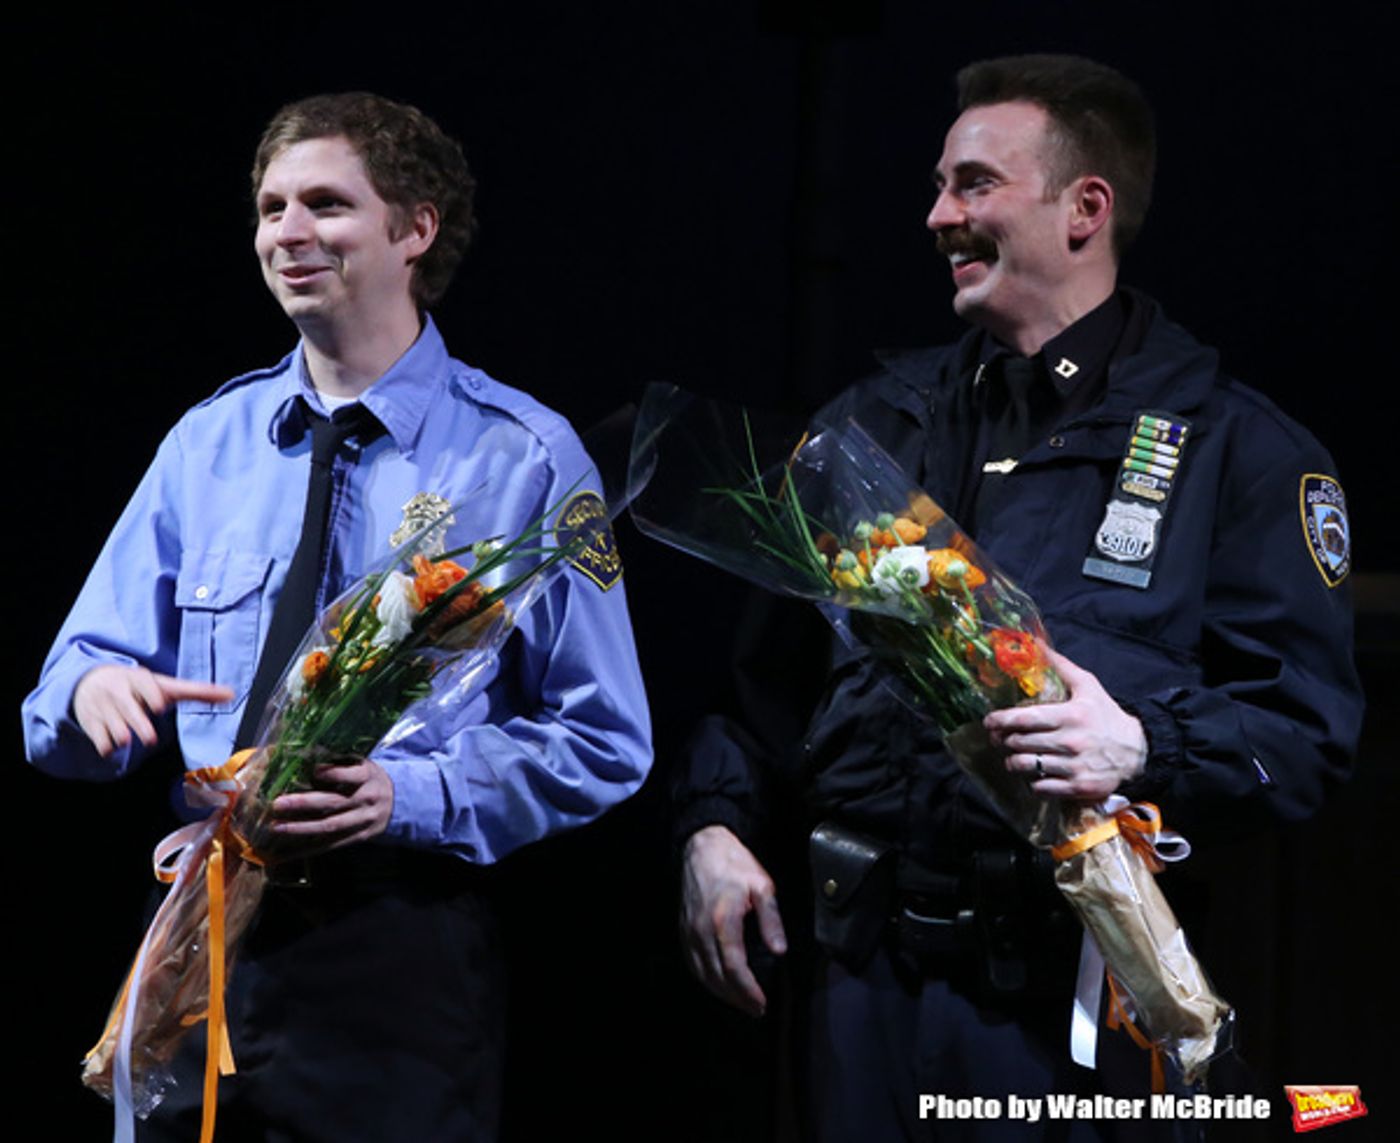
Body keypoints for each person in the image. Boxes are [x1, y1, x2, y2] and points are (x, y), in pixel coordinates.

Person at [674, 55, 1361, 1140]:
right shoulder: (872, 427)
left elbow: (1306, 740)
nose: (937, 214)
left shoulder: (1240, 452)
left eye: (973, 185)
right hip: (862, 993)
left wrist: (1139, 744)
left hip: (1073, 1007)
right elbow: (761, 683)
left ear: (1083, 208)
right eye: (941, 185)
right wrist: (714, 826)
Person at [23, 92, 651, 1141]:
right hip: (201, 928)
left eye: (325, 203)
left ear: (415, 229)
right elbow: (63, 689)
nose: (287, 233)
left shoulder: (523, 457)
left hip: (391, 947)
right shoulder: (208, 445)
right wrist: (95, 690)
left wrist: (413, 794)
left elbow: (605, 737)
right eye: (270, 208)